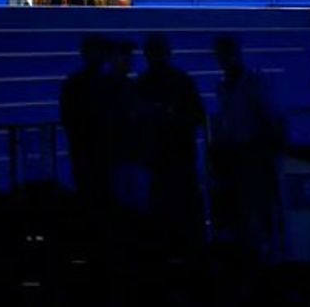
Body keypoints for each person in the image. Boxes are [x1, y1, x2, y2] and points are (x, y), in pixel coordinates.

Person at [209, 35, 283, 254]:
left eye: (224, 55)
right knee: (246, 206)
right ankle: (256, 248)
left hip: (252, 152)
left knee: (255, 205)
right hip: (240, 153)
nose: (222, 60)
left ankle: (260, 248)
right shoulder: (228, 86)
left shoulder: (249, 83)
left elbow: (270, 117)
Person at [135, 34, 206, 241]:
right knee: (182, 212)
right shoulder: (182, 81)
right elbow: (197, 116)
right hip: (177, 157)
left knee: (161, 214)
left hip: (160, 159)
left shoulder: (143, 84)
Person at [60, 36, 120, 206]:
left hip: (86, 156)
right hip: (99, 157)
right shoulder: (108, 84)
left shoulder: (74, 85)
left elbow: (68, 119)